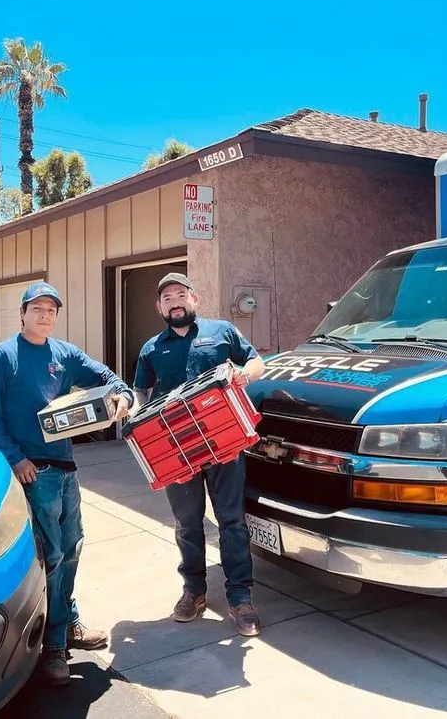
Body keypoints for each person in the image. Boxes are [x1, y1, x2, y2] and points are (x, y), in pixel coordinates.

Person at [0, 281, 134, 686]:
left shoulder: (64, 355)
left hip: (65, 469)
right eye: (37, 309)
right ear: (23, 312)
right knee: (53, 556)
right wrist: (16, 459)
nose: (45, 316)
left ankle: (67, 622)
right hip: (33, 472)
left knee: (73, 547)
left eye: (51, 310)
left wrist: (123, 398)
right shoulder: (3, 356)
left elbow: (109, 378)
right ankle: (53, 645)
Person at [131, 272, 266, 637]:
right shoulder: (151, 349)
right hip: (178, 451)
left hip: (224, 443)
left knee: (231, 521)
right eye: (167, 298)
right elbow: (140, 394)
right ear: (159, 307)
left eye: (180, 294)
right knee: (187, 524)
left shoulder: (221, 331)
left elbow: (256, 363)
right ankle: (194, 591)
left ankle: (240, 597)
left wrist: (243, 375)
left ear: (194, 299)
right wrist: (139, 420)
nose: (175, 301)